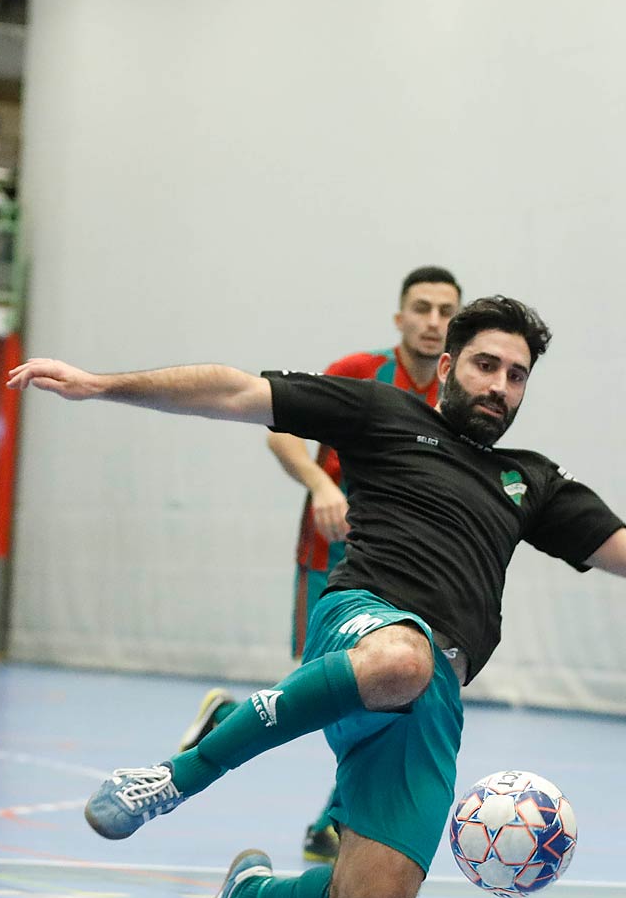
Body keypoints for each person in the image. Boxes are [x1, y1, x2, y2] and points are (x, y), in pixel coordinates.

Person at [7, 295, 626, 898]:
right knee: (399, 657)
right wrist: (100, 384)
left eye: (516, 376)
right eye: (485, 364)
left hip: (434, 691)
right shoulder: (379, 414)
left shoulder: (533, 480)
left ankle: (244, 897)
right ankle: (172, 780)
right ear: (447, 364)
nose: (499, 386)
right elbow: (234, 391)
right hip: (361, 623)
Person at [177, 265, 462, 863]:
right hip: (330, 552)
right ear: (400, 318)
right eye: (423, 308)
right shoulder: (360, 373)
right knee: (335, 689)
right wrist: (318, 484)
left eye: (446, 312)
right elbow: (277, 431)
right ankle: (235, 723)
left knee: (378, 692)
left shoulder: (461, 397)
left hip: (407, 567)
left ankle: (330, 822)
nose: (434, 321)